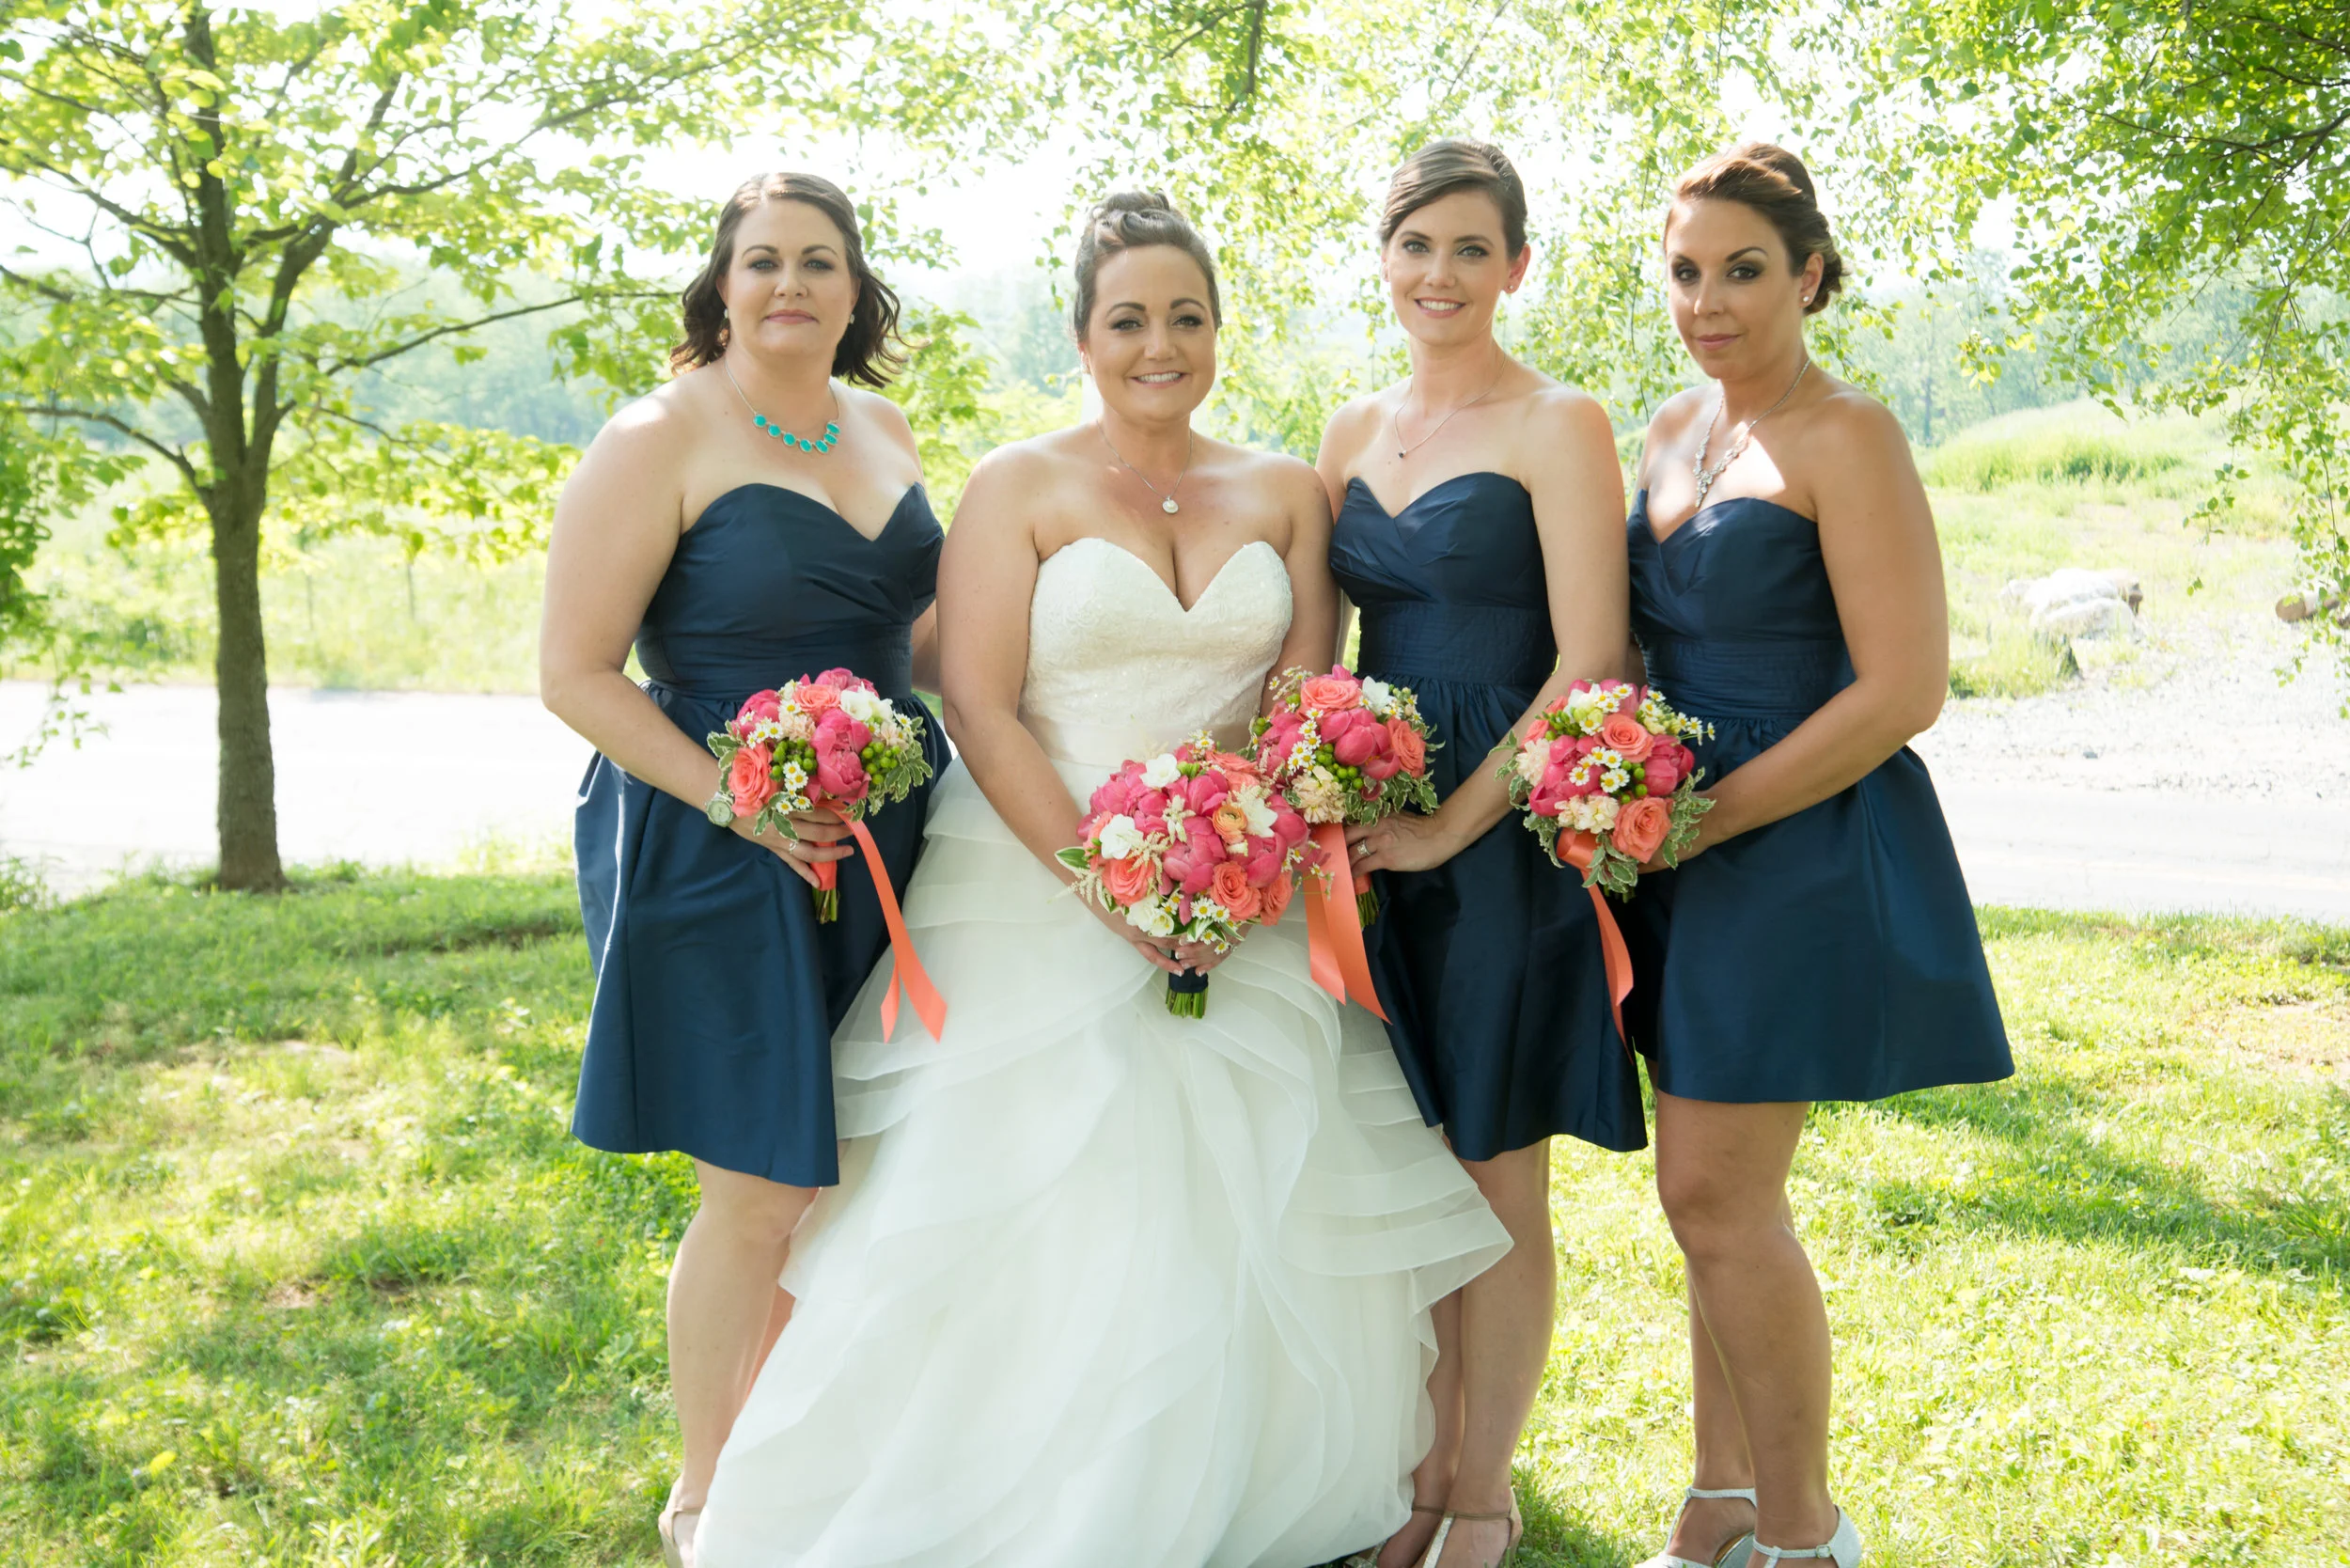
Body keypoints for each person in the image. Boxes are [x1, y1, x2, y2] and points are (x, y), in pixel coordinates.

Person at [692, 190, 1508, 1568]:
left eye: (1187, 317)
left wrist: (1231, 863)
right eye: (1128, 320)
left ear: (1219, 333)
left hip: (1239, 886)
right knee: (1039, 1187)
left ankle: (1227, 1489)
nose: (1159, 345)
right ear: (1082, 337)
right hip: (1036, 870)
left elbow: (1299, 707)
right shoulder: (1020, 484)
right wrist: (1107, 882)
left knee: (1237, 1189)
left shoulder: (1283, 494)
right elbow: (981, 704)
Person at [537, 171, 951, 1568]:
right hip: (717, 836)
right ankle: (708, 1495)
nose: (790, 284)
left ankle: (796, 1454)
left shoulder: (882, 427)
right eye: (763, 259)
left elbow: (924, 636)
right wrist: (739, 799)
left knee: (848, 1177)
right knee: (759, 1189)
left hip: (889, 831)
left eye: (819, 261)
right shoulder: (654, 436)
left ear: (856, 289)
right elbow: (575, 673)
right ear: (721, 282)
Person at [1621, 142, 2013, 1568]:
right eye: (1686, 272)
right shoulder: (1667, 431)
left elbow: (1904, 688)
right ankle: (1720, 1500)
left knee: (1712, 1191)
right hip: (1665, 846)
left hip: (1789, 840)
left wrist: (1713, 816)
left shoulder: (1851, 436)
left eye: (1742, 271)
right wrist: (1608, 789)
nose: (1708, 302)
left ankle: (1805, 1535)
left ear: (1810, 277)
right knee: (1712, 1198)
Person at [1319, 138, 1641, 1568]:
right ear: (1383, 260)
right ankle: (1410, 1469)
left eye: (1469, 249)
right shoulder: (1345, 431)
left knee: (1493, 1163)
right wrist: (1316, 803)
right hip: (1364, 836)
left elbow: (1592, 656)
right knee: (1392, 1152)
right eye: (1416, 245)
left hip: (1499, 828)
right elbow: (1314, 653)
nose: (1439, 274)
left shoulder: (1559, 423)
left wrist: (1450, 825)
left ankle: (1482, 1490)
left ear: (1516, 265)